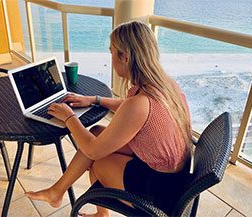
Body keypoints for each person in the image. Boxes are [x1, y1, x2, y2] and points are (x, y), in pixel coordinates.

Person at [25, 21, 193, 216]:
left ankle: (60, 195)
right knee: (95, 132)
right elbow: (131, 108)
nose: (111, 57)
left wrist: (69, 117)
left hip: (159, 192)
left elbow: (94, 151)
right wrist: (94, 100)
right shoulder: (164, 84)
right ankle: (60, 193)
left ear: (126, 57)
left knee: (96, 159)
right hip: (174, 174)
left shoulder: (139, 103)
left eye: (112, 52)